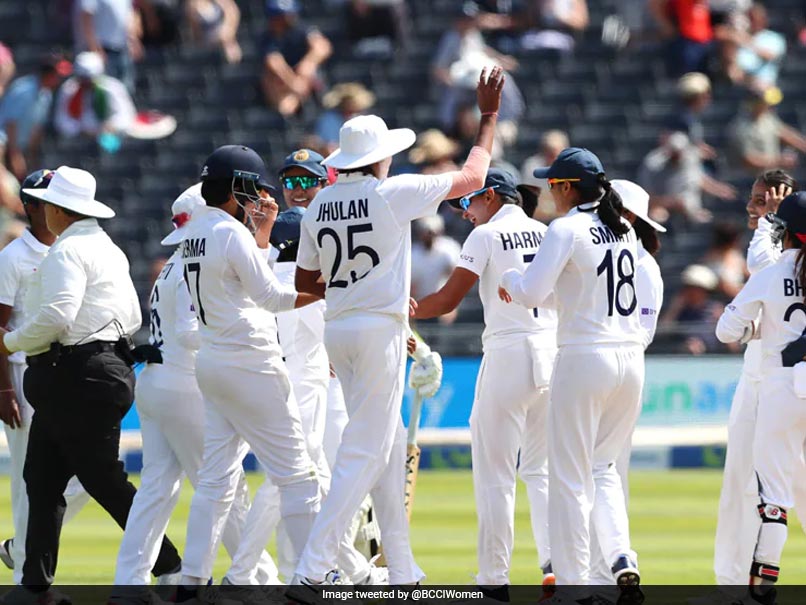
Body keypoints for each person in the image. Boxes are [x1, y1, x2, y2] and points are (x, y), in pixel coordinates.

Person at [289, 67, 504, 593]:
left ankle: (403, 575)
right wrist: (489, 117)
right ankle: (312, 571)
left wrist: (346, 292)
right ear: (379, 158)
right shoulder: (394, 191)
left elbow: (303, 279)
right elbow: (475, 178)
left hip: (337, 329)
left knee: (384, 450)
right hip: (379, 328)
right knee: (365, 451)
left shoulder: (319, 204)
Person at [0, 166, 182, 604]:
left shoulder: (68, 251)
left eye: (46, 206)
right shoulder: (109, 248)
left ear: (60, 210)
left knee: (101, 479)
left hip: (76, 373)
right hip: (96, 368)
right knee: (41, 479)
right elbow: (133, 317)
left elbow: (57, 316)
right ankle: (34, 585)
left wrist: (11, 343)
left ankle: (171, 565)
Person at [111, 185, 280, 600]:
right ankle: (259, 578)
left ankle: (129, 583)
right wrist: (235, 344)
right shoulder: (193, 264)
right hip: (183, 384)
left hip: (156, 383)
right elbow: (190, 333)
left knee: (156, 489)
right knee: (224, 486)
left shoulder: (173, 263)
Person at [173, 145, 322, 598]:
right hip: (251, 360)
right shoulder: (230, 234)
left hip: (213, 361)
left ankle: (191, 582)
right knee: (299, 476)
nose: (259, 197)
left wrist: (261, 231)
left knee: (216, 482)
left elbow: (241, 279)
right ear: (238, 186)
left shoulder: (195, 232)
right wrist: (334, 290)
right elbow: (273, 298)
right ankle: (316, 579)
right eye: (254, 189)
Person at [499, 147, 644, 589]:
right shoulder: (624, 231)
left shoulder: (566, 228)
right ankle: (621, 559)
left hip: (585, 356)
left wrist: (507, 279)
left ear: (566, 188)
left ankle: (575, 585)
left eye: (551, 185)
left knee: (567, 478)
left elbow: (530, 292)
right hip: (630, 357)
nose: (546, 192)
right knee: (604, 469)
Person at [412, 168, 557, 595]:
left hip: (509, 351)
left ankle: (494, 581)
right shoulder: (546, 231)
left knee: (495, 475)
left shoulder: (487, 235)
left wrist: (398, 311)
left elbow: (447, 299)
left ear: (491, 196)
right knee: (541, 471)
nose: (464, 213)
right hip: (552, 349)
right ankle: (555, 565)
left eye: (468, 203)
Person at [711, 170, 800, 594]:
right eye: (753, 198)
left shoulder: (779, 260)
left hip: (777, 381)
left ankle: (749, 586)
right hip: (763, 375)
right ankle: (732, 585)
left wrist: (770, 222)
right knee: (741, 484)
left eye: (765, 201)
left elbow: (760, 266)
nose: (754, 206)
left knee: (773, 492)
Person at [0, 170, 90, 585]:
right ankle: (26, 579)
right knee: (26, 478)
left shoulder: (73, 249)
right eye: (41, 200)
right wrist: (2, 388)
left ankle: (21, 548)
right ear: (30, 207)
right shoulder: (13, 257)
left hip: (65, 374)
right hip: (22, 374)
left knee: (89, 474)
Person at [588, 179, 665, 585]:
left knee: (605, 470)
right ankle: (600, 570)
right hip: (618, 363)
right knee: (601, 471)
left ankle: (603, 572)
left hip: (612, 362)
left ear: (630, 216)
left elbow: (645, 329)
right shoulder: (606, 249)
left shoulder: (645, 265)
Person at [260, 0, 333, 117]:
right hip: (284, 80)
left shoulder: (302, 29)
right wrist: (293, 82)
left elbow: (322, 47)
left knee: (309, 71)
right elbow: (273, 62)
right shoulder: (268, 37)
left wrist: (308, 62)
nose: (288, 18)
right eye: (283, 16)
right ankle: (286, 112)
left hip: (305, 78)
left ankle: (297, 104)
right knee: (269, 79)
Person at [0, 57, 66, 181]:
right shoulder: (24, 89)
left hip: (20, 148)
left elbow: (37, 127)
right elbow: (11, 123)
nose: (59, 80)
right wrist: (15, 154)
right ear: (49, 74)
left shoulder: (46, 95)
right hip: (4, 144)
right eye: (57, 76)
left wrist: (31, 155)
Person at [53, 51, 136, 140]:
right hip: (78, 139)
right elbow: (61, 119)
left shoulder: (113, 87)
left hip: (109, 136)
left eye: (89, 79)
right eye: (83, 79)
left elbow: (127, 116)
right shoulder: (68, 89)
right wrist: (81, 130)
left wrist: (110, 126)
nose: (87, 82)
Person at [728, 87, 806, 176]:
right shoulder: (741, 127)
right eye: (765, 103)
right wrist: (780, 161)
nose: (769, 105)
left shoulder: (767, 118)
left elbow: (785, 134)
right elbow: (748, 160)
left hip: (771, 176)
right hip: (751, 181)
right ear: (755, 103)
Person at [73, 0, 142, 93]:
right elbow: (86, 18)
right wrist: (95, 48)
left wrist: (134, 40)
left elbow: (131, 14)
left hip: (123, 49)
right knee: (105, 92)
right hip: (103, 51)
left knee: (126, 91)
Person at [314, 83, 376, 156]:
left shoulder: (364, 119)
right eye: (348, 103)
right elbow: (328, 145)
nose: (351, 106)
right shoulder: (328, 120)